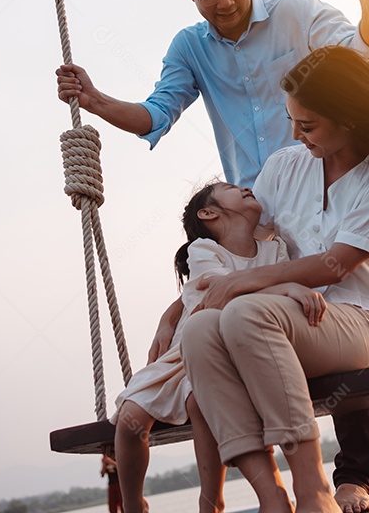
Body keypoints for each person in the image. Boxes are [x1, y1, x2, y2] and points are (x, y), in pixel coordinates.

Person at [56, 0, 369, 510]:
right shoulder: (192, 49)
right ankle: (273, 493)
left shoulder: (298, 15)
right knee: (234, 312)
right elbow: (154, 115)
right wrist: (94, 100)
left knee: (321, 294)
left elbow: (359, 59)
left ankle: (355, 471)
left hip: (329, 166)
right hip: (264, 196)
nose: (225, 0)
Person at [180, 46, 369, 513]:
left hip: (361, 325)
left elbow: (336, 264)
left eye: (307, 125)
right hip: (281, 321)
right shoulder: (285, 165)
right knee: (199, 329)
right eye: (293, 120)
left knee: (247, 313)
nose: (295, 133)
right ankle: (271, 495)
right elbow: (241, 243)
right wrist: (181, 308)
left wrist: (254, 286)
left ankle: (312, 489)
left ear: (347, 118)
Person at [112, 180, 326, 513]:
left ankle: (210, 500)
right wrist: (289, 288)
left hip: (230, 355)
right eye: (229, 187)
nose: (243, 187)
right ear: (208, 212)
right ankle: (133, 503)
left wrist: (288, 285)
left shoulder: (276, 250)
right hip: (187, 351)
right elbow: (226, 293)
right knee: (130, 419)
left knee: (200, 402)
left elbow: (255, 296)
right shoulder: (204, 252)